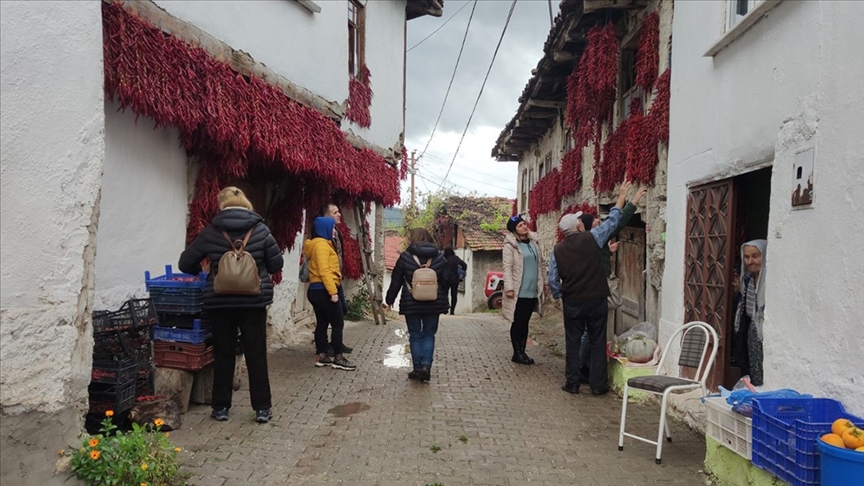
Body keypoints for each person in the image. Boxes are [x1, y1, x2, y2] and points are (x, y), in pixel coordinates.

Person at [178, 186, 283, 423]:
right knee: (256, 354)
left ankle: (221, 407)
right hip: (253, 302)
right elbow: (276, 264)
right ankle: (262, 409)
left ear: (222, 205)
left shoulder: (211, 231)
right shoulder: (261, 230)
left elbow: (186, 263)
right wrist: (258, 266)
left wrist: (205, 270)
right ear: (246, 203)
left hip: (220, 302)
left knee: (223, 353)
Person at [549, 181, 639, 395]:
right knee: (598, 341)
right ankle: (598, 386)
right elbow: (613, 221)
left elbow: (552, 278)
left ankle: (572, 383)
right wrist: (622, 195)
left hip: (573, 302)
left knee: (572, 342)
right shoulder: (593, 238)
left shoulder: (557, 250)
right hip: (596, 298)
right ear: (578, 226)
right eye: (580, 220)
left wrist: (559, 294)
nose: (582, 221)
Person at [574, 187, 645, 385]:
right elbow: (618, 223)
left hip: (584, 291)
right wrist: (631, 201)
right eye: (595, 219)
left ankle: (582, 367)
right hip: (596, 290)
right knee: (592, 332)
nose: (599, 220)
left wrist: (606, 250)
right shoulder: (596, 236)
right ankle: (583, 369)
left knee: (588, 332)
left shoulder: (585, 241)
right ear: (588, 226)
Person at [382, 228, 448, 381]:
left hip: (411, 302)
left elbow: (396, 280)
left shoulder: (405, 257)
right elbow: (446, 281)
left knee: (415, 335)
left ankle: (417, 368)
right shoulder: (439, 257)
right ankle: (426, 365)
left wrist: (390, 299)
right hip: (434, 302)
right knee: (429, 335)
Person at [304, 216, 356, 371]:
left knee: (322, 323)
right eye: (332, 228)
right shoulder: (321, 246)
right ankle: (338, 358)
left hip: (316, 290)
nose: (334, 231)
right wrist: (333, 292)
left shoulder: (318, 244)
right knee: (338, 323)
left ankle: (322, 356)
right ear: (324, 229)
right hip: (324, 289)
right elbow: (324, 270)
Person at [502, 214, 545, 365]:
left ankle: (523, 351)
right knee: (518, 321)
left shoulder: (534, 242)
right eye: (520, 226)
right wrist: (509, 287)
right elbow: (507, 268)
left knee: (525, 322)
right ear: (514, 230)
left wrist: (542, 282)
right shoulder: (510, 246)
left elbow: (540, 265)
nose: (524, 227)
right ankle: (517, 352)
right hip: (518, 290)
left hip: (532, 289)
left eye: (524, 224)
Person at [317, 203, 353, 355]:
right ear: (326, 216)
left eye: (339, 211)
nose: (339, 214)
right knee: (326, 317)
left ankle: (335, 343)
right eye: (335, 212)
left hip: (336, 279)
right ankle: (325, 347)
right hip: (327, 281)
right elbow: (322, 265)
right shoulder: (322, 236)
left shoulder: (336, 232)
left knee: (341, 310)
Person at [733, 240, 767, 386]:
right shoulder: (747, 280)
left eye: (755, 256)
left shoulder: (770, 281)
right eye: (746, 257)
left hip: (764, 333)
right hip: (751, 332)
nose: (750, 261)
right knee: (752, 368)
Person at [442, 247, 467, 315]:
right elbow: (464, 265)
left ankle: (446, 307)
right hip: (454, 279)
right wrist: (462, 271)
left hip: (445, 279)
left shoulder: (443, 258)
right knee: (454, 295)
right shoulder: (455, 258)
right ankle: (452, 310)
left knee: (444, 294)